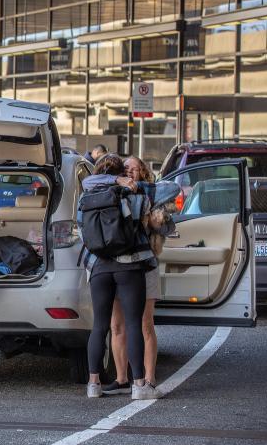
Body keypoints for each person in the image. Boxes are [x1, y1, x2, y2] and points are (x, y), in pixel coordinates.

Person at [79, 154, 162, 400]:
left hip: (98, 266)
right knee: (134, 324)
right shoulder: (135, 195)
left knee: (100, 326)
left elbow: (81, 227)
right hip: (129, 266)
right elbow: (148, 219)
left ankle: (93, 384)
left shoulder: (86, 197)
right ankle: (139, 385)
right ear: (121, 173)